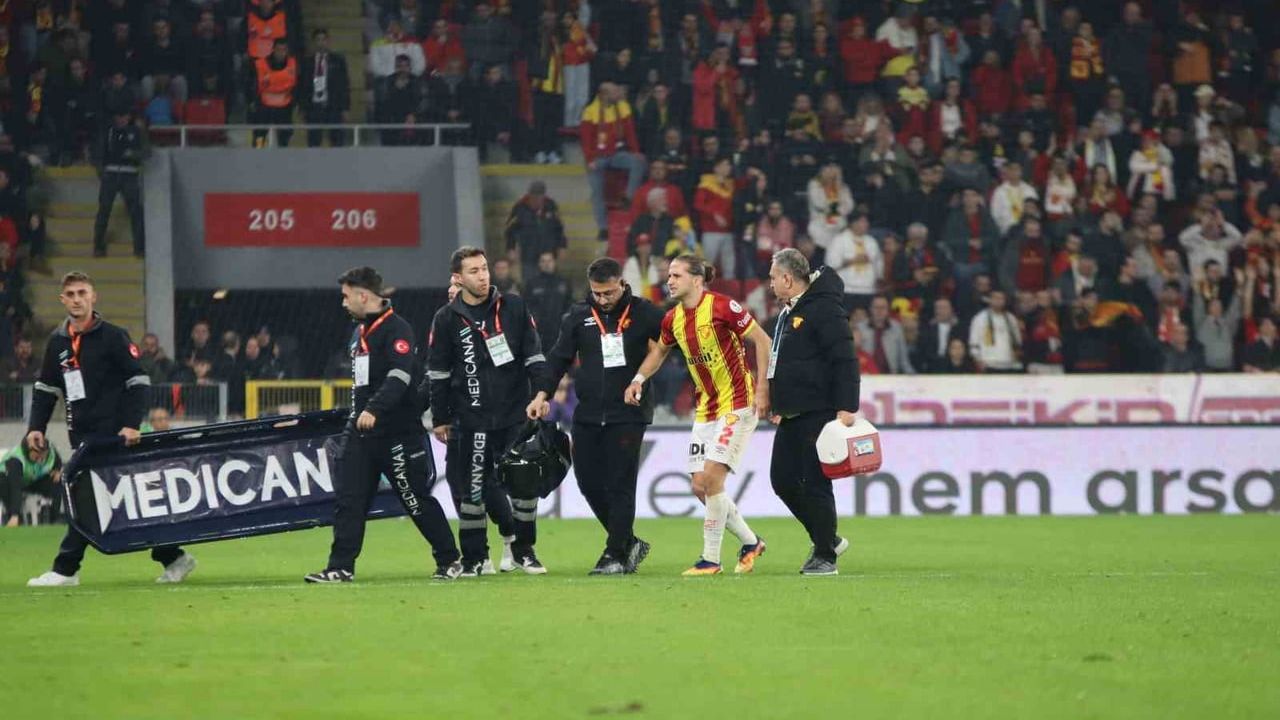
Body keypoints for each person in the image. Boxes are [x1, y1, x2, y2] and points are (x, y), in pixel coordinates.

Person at [27, 272, 194, 587]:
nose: (77, 299)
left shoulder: (114, 337)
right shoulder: (57, 342)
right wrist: (36, 427)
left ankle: (65, 569)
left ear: (93, 297)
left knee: (84, 500)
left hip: (115, 437)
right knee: (126, 502)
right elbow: (46, 389)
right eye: (71, 294)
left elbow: (138, 382)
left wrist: (131, 425)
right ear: (62, 300)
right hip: (84, 438)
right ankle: (174, 557)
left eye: (82, 293)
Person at [305, 267, 462, 583]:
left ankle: (449, 559)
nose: (343, 303)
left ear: (363, 296)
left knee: (414, 498)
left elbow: (399, 376)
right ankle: (340, 566)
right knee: (349, 500)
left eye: (346, 296)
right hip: (361, 433)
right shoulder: (360, 333)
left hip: (397, 433)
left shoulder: (397, 330)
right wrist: (359, 416)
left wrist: (374, 409)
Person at [625, 255, 770, 576]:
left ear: (696, 279)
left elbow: (763, 340)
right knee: (699, 486)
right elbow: (659, 352)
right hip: (706, 409)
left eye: (676, 275)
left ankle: (710, 560)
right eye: (669, 275)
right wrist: (638, 379)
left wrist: (763, 387)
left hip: (738, 403)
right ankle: (751, 542)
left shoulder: (723, 307)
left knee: (712, 478)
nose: (669, 280)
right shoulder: (672, 319)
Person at [530, 258, 664, 574]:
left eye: (608, 293)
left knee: (620, 483)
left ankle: (615, 554)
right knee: (588, 482)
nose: (602, 299)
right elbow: (558, 358)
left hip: (629, 413)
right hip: (587, 412)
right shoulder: (578, 316)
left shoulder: (645, 313)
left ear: (622, 284)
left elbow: (670, 346)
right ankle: (627, 542)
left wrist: (643, 377)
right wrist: (541, 394)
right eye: (597, 293)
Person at [427, 247, 550, 575]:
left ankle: (524, 551)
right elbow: (438, 372)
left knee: (524, 487)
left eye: (484, 268)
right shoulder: (446, 318)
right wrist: (440, 418)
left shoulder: (514, 306)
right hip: (472, 418)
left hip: (514, 414)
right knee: (472, 490)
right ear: (458, 278)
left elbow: (534, 355)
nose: (482, 276)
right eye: (474, 271)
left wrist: (541, 393)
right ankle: (475, 558)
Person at [765, 249, 857, 575]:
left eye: (773, 277)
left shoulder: (824, 307)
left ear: (788, 279)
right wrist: (778, 402)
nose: (770, 283)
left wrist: (847, 407)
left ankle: (825, 556)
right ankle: (827, 538)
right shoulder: (792, 310)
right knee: (782, 481)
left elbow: (845, 358)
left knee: (816, 483)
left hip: (818, 409)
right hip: (793, 411)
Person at [580, 82, 645, 248]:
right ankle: (603, 227)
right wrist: (590, 160)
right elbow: (586, 139)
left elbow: (630, 132)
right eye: (614, 92)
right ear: (603, 95)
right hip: (598, 157)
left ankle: (628, 197)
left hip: (616, 154)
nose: (618, 94)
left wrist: (635, 151)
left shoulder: (622, 106)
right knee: (596, 191)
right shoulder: (590, 112)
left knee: (638, 162)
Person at [93, 109, 146, 257]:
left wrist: (134, 153)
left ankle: (139, 248)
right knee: (104, 210)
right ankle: (98, 246)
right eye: (119, 116)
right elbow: (98, 152)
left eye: (125, 116)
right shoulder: (108, 131)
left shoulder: (137, 131)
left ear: (129, 116)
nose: (122, 119)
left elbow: (146, 151)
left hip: (130, 174)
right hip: (111, 173)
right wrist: (101, 171)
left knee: (136, 212)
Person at [504, 180, 565, 283]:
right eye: (534, 196)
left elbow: (559, 228)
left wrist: (562, 246)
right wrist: (510, 248)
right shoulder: (520, 207)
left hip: (548, 252)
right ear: (529, 195)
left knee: (551, 280)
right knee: (529, 281)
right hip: (529, 253)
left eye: (539, 196)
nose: (537, 199)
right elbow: (510, 230)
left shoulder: (551, 205)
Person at [298, 28, 350, 147]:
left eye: (323, 39)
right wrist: (302, 107)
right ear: (314, 42)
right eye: (318, 40)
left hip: (333, 106)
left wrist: (345, 108)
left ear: (328, 41)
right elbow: (302, 86)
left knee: (337, 141)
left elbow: (344, 85)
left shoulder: (338, 61)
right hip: (314, 107)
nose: (321, 43)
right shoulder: (306, 62)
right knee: (314, 141)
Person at [1, 436, 61, 527]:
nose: (40, 460)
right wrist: (15, 515)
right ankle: (14, 518)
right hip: (8, 480)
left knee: (57, 481)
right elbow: (15, 487)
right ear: (28, 451)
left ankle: (53, 520)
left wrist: (57, 470)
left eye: (43, 457)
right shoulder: (16, 460)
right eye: (37, 457)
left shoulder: (50, 453)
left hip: (31, 479)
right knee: (6, 486)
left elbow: (57, 462)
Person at [249, 38, 297, 148]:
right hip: (264, 108)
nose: (281, 53)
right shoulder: (260, 65)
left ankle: (282, 155)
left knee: (284, 138)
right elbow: (252, 86)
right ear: (273, 50)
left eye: (284, 50)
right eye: (278, 50)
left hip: (284, 109)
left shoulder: (293, 64)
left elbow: (297, 85)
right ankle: (257, 154)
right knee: (259, 137)